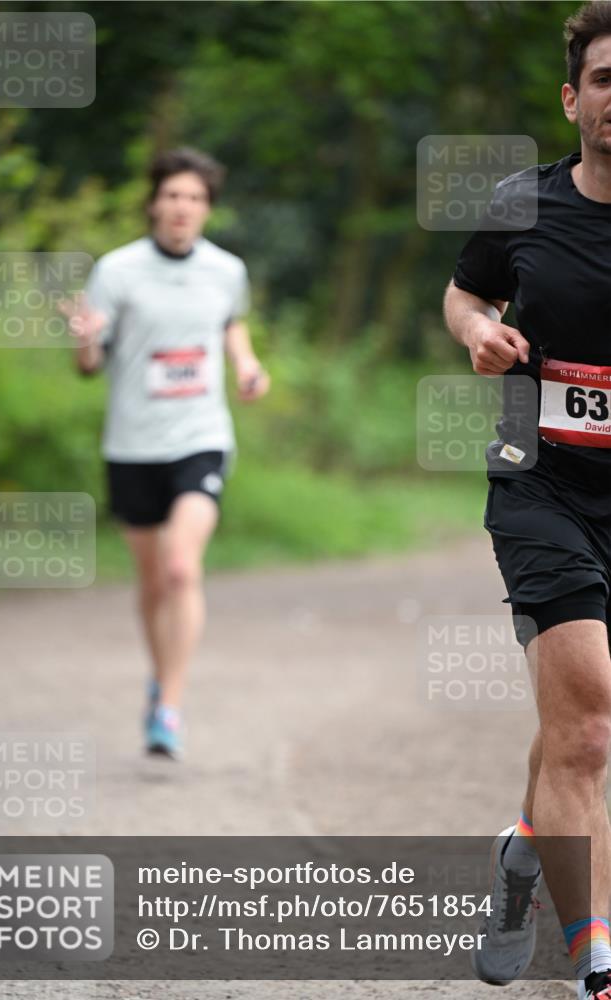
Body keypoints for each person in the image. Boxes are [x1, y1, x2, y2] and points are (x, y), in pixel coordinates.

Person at [443, 3, 611, 996]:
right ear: (573, 98)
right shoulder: (524, 205)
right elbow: (463, 291)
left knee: (573, 729)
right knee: (590, 726)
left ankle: (521, 857)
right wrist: (475, 331)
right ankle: (594, 955)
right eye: (605, 79)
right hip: (541, 482)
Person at [61, 147, 270, 759]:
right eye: (173, 196)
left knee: (182, 567)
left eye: (195, 198)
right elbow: (91, 361)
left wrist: (247, 364)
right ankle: (160, 681)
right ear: (154, 202)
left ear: (207, 209)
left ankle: (170, 708)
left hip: (200, 437)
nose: (183, 207)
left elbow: (232, 324)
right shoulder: (118, 270)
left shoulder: (225, 270)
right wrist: (81, 345)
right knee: (153, 582)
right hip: (132, 444)